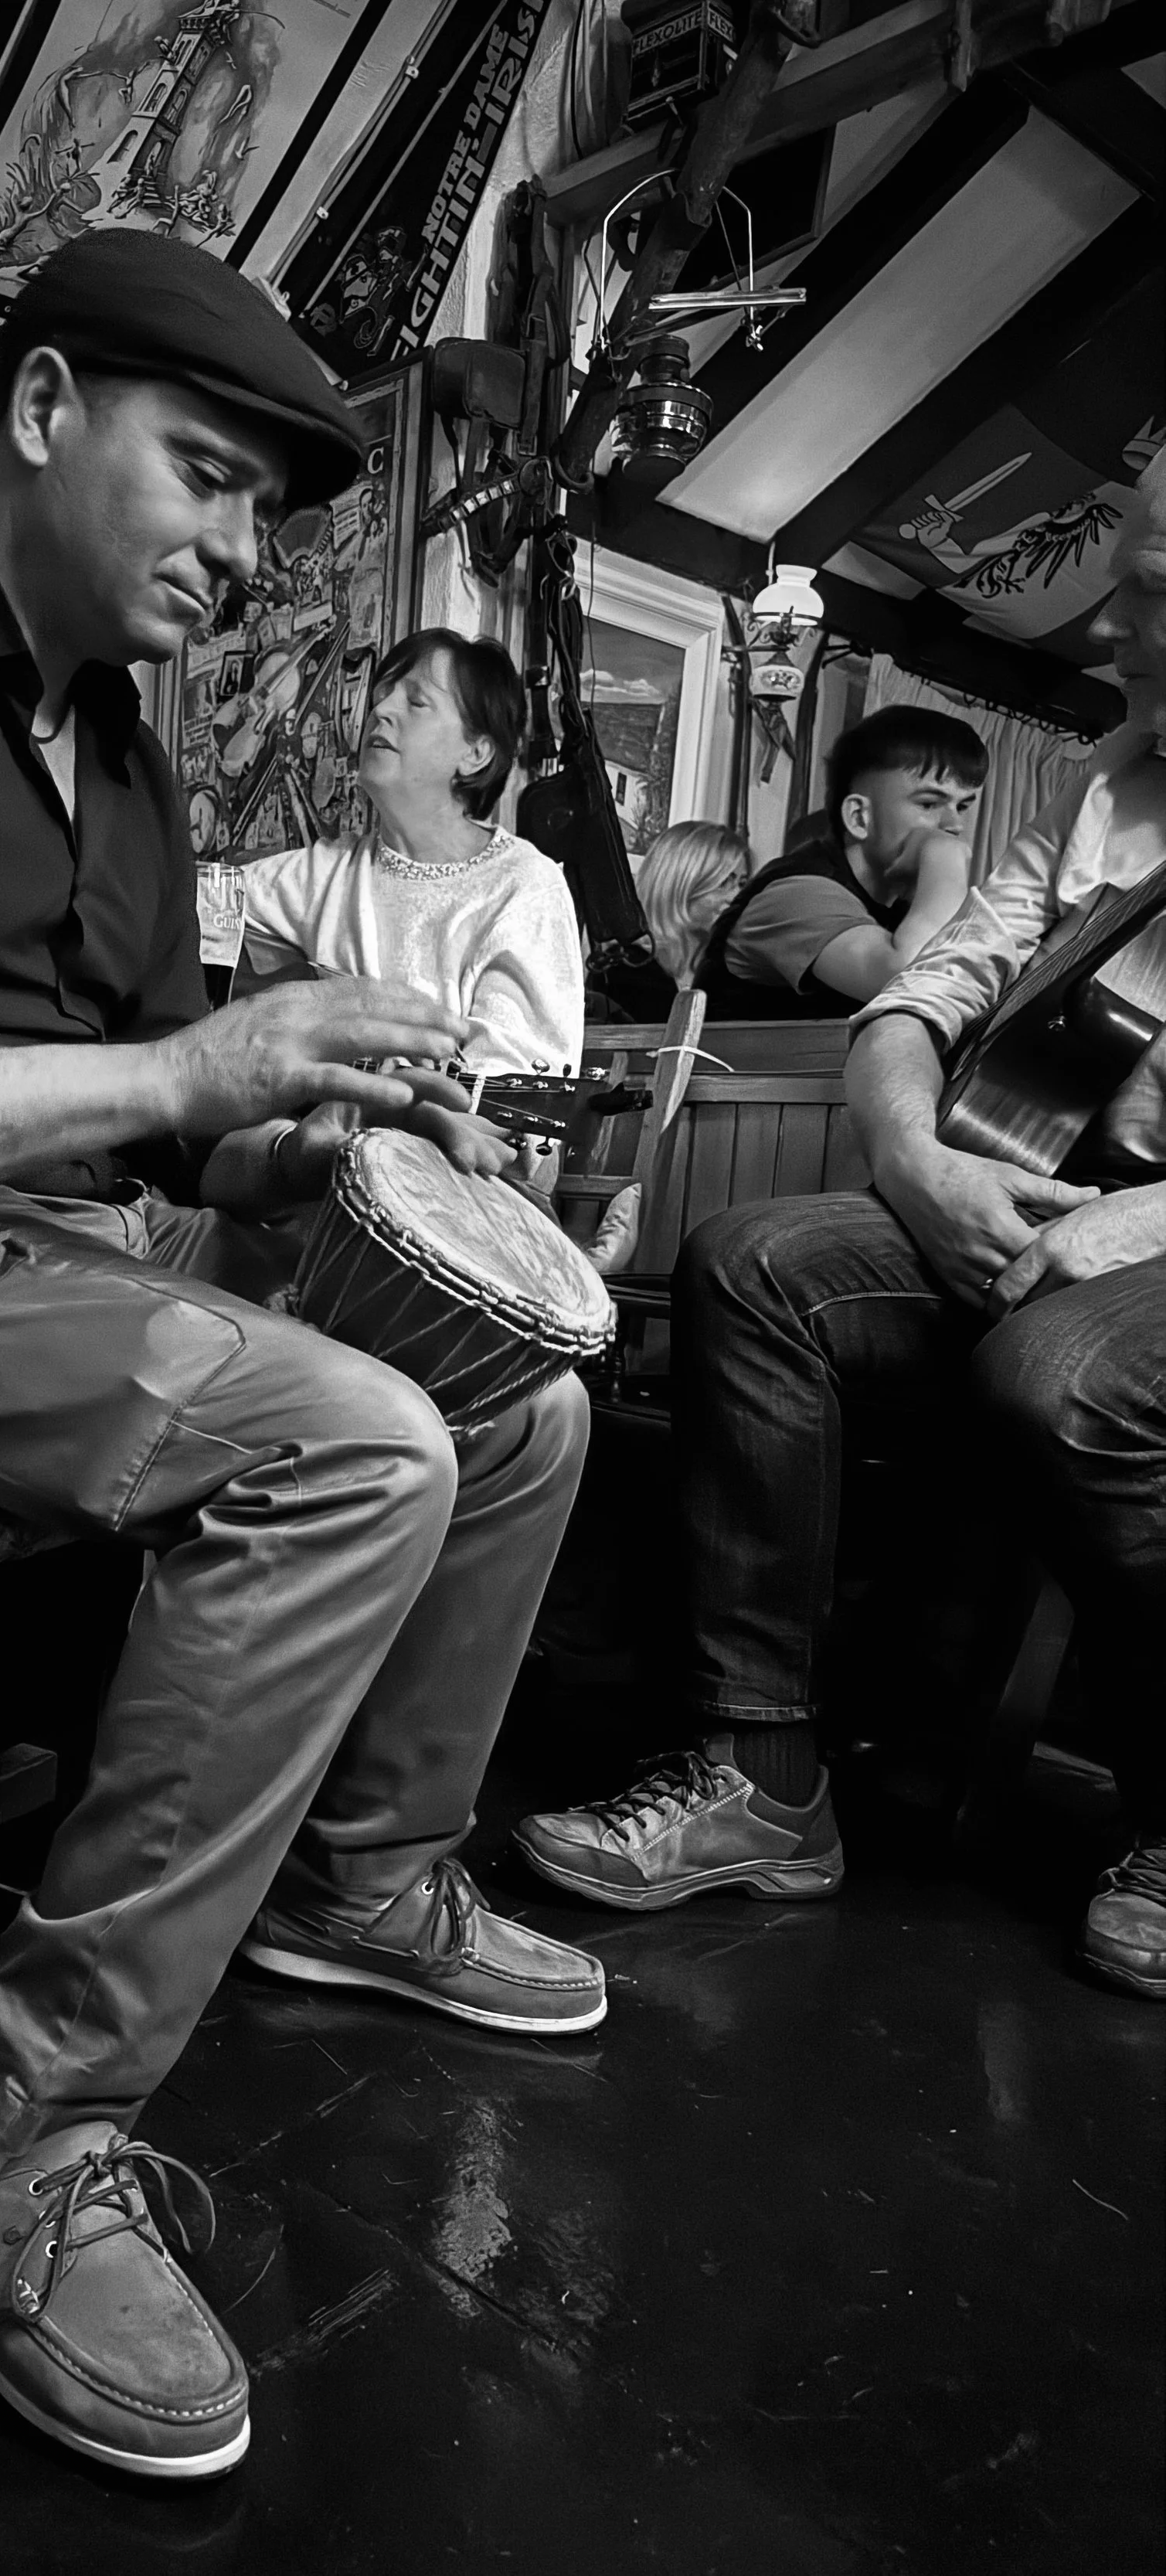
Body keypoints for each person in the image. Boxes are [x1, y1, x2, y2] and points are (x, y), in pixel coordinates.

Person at [0, 228, 604, 2482]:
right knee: (352, 1443)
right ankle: (8, 2130)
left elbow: (176, 1124)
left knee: (518, 1402)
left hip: (57, 1266)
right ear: (42, 410)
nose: (238, 553)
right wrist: (186, 1090)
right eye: (206, 480)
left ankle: (360, 1875)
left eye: (264, 510)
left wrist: (309, 1119)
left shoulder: (127, 775)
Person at [513, 452, 1166, 2001]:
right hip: (1027, 1196)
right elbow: (912, 1002)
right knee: (750, 1264)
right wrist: (910, 1164)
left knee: (1058, 1370)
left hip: (1136, 1249)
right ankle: (762, 1780)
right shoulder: (1102, 784)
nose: (1109, 631)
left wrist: (1127, 1233)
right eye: (1127, 587)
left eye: (1148, 598)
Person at [235, 628, 583, 1191]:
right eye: (383, 692)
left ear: (475, 752)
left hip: (456, 1190)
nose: (381, 708)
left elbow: (520, 1113)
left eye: (415, 700)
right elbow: (195, 906)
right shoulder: (329, 871)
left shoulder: (524, 885)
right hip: (322, 1172)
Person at [692, 708, 987, 1016]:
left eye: (962, 806)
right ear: (860, 817)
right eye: (929, 803)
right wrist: (945, 860)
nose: (955, 825)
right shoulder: (797, 895)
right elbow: (912, 980)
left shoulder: (901, 912)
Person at [634, 821, 753, 988]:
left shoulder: (728, 970)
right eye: (723, 883)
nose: (737, 897)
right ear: (678, 883)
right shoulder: (629, 969)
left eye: (742, 883)